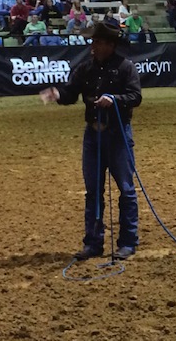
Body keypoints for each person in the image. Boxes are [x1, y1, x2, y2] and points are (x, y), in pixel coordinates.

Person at [39, 22, 140, 261]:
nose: (92, 45)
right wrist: (58, 95)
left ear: (110, 44)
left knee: (126, 190)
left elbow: (135, 97)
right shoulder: (85, 69)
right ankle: (93, 243)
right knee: (93, 192)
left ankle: (127, 242)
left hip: (117, 135)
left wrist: (113, 99)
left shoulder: (126, 68)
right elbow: (71, 93)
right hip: (93, 136)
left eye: (97, 41)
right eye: (93, 41)